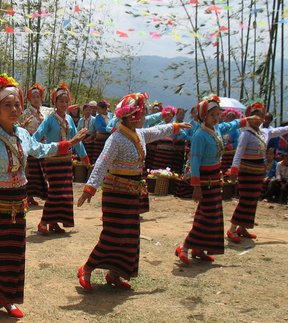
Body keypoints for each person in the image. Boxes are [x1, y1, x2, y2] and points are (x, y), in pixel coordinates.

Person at [0, 74, 87, 323]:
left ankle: (6, 298)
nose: (14, 109)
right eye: (7, 105)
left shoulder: (24, 136)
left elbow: (41, 150)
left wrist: (68, 143)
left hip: (17, 207)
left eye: (16, 104)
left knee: (14, 255)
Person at [76, 93, 191, 290]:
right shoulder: (116, 138)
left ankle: (115, 273)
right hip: (115, 194)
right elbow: (102, 163)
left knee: (129, 235)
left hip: (132, 194)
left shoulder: (139, 134)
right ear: (132, 117)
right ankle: (86, 268)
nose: (145, 117)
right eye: (143, 113)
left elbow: (156, 131)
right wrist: (90, 188)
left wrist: (174, 127)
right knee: (112, 235)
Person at [175, 96, 257, 264]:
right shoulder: (199, 135)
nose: (216, 117)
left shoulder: (217, 129)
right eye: (212, 115)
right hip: (205, 181)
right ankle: (184, 247)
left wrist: (247, 119)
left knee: (214, 215)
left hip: (215, 178)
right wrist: (196, 186)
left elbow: (232, 124)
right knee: (207, 215)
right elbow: (195, 161)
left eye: (218, 114)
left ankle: (199, 248)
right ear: (204, 116)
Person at [227, 101, 288, 241]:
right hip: (246, 171)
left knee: (254, 199)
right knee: (245, 199)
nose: (257, 119)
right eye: (254, 116)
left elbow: (280, 130)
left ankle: (243, 227)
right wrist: (234, 170)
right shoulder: (246, 134)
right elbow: (239, 153)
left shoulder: (265, 132)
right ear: (248, 117)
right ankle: (232, 229)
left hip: (259, 170)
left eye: (260, 116)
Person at [32, 83, 89, 234]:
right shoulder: (49, 120)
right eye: (61, 101)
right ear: (55, 103)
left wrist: (85, 158)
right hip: (52, 161)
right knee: (56, 192)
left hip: (66, 161)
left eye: (66, 101)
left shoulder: (70, 120)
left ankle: (54, 222)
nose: (64, 104)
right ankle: (44, 221)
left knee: (65, 193)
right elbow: (37, 135)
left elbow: (77, 140)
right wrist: (33, 147)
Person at [19, 83, 49, 206]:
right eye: (33, 97)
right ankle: (28, 195)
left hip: (43, 146)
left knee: (43, 171)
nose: (36, 99)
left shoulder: (46, 112)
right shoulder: (24, 114)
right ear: (29, 99)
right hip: (30, 146)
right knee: (30, 172)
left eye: (38, 96)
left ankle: (41, 194)